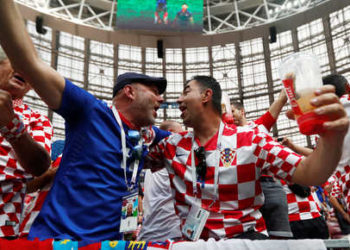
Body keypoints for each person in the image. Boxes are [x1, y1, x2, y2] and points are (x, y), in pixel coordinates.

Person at [0, 1, 170, 245]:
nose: (162, 99)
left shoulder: (149, 135)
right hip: (61, 242)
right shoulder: (91, 111)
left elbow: (199, 138)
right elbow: (30, 64)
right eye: (154, 91)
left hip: (113, 243)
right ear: (129, 92)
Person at [146, 75, 348, 240]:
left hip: (245, 242)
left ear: (206, 96)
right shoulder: (170, 145)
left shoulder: (251, 139)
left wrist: (331, 140)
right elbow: (132, 159)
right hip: (194, 243)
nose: (179, 100)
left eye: (186, 91)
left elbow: (309, 174)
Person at [0, 48, 52, 238]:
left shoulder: (38, 120)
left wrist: (12, 126)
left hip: (4, 229)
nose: (23, 69)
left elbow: (39, 166)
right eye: (16, 61)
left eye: (30, 69)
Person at [231, 90, 293, 238]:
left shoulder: (259, 127)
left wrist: (286, 90)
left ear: (242, 111)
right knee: (249, 236)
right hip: (241, 188)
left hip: (268, 184)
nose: (229, 115)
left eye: (232, 111)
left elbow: (277, 105)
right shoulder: (226, 134)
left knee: (281, 234)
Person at [138, 120, 183, 241]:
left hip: (147, 234)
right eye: (182, 133)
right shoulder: (172, 159)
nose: (184, 137)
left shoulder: (152, 162)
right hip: (171, 235)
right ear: (171, 134)